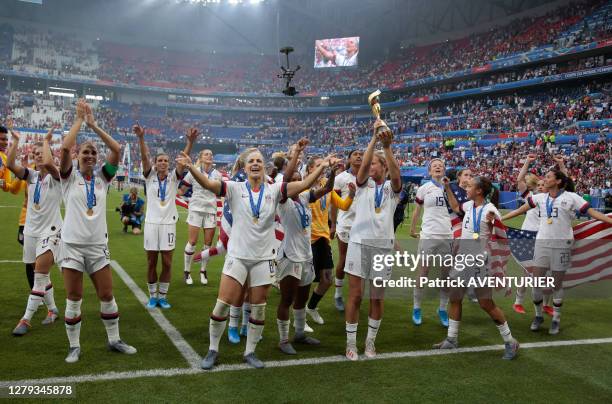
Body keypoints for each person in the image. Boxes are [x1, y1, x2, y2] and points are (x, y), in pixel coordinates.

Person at [176, 147, 330, 369]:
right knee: (222, 305)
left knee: (258, 308)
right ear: (245, 167)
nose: (255, 164)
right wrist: (192, 167)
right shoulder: (234, 188)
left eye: (259, 161)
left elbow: (304, 185)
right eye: (251, 161)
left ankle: (250, 352)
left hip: (264, 259)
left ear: (264, 166)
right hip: (238, 256)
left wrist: (323, 167)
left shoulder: (275, 189)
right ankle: (213, 350)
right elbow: (209, 185)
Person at [59, 99, 136, 363]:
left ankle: (114, 340)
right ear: (78, 156)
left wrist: (94, 125)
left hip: (97, 246)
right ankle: (74, 346)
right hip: (71, 245)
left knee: (106, 294)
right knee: (74, 297)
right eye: (86, 153)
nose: (90, 156)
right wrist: (79, 121)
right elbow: (65, 147)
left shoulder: (103, 177)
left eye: (93, 153)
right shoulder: (69, 177)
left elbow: (116, 148)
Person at [501, 169, 612, 335]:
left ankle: (556, 320)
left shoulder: (571, 197)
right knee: (536, 282)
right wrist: (499, 220)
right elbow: (519, 211)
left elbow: (593, 213)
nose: (544, 180)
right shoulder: (539, 198)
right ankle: (538, 316)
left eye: (548, 177)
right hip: (542, 244)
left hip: (562, 245)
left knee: (557, 283)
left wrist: (609, 221)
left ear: (558, 181)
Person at [435, 176, 519, 360]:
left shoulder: (490, 210)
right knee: (455, 298)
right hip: (463, 260)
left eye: (470, 186)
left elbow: (501, 235)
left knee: (485, 304)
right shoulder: (468, 206)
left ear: (479, 191)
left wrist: (493, 223)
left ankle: (510, 341)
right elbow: (456, 207)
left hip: (479, 262)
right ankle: (452, 339)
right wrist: (448, 187)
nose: (466, 187)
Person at [275, 139, 340, 355]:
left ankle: (300, 334)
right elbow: (286, 178)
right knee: (287, 299)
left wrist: (331, 171)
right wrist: (297, 154)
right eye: (293, 181)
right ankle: (284, 339)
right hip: (289, 256)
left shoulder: (304, 197)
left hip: (306, 256)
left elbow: (329, 188)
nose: (297, 182)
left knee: (302, 299)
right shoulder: (282, 199)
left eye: (299, 180)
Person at [344, 120, 401, 361]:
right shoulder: (363, 185)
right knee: (355, 296)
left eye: (377, 164)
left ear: (384, 167)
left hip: (382, 248)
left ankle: (370, 342)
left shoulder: (392, 188)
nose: (371, 167)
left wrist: (386, 148)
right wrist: (373, 140)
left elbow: (396, 175)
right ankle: (350, 344)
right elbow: (363, 166)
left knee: (376, 298)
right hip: (358, 244)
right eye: (373, 164)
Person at [134, 123, 196, 309]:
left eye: (165, 161)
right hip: (152, 224)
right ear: (155, 163)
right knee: (151, 262)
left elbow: (182, 161)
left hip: (168, 224)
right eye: (159, 160)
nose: (163, 163)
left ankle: (163, 296)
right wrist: (141, 138)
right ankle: (153, 296)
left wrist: (190, 143)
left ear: (169, 165)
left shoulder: (173, 178)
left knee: (167, 263)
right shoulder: (149, 176)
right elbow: (144, 157)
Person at [8, 127, 61, 335]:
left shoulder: (57, 176)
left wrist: (46, 141)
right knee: (40, 273)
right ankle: (53, 309)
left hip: (51, 231)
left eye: (41, 153)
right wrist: (15, 141)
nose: (38, 156)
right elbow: (11, 165)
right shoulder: (31, 176)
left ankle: (26, 319)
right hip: (31, 231)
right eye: (35, 154)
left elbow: (49, 163)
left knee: (39, 275)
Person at [305, 155, 355, 327]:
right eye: (318, 165)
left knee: (327, 279)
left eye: (322, 166)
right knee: (304, 282)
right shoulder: (304, 185)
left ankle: (311, 307)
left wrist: (352, 195)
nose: (322, 168)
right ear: (310, 169)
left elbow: (343, 205)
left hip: (323, 238)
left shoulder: (327, 186)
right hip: (307, 240)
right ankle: (299, 319)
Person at [409, 158, 452, 327]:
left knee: (446, 275)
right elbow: (417, 210)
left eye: (441, 165)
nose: (438, 167)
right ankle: (417, 308)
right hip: (428, 234)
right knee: (423, 271)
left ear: (445, 170)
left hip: (447, 235)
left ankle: (442, 309)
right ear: (429, 171)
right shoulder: (424, 188)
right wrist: (412, 229)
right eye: (434, 166)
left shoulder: (451, 188)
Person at [181, 148, 223, 285]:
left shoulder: (217, 174)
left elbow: (220, 193)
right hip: (196, 209)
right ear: (201, 157)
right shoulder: (193, 171)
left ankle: (203, 271)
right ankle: (187, 272)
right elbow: (182, 189)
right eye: (206, 154)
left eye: (211, 154)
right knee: (192, 241)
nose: (209, 155)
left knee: (208, 244)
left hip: (211, 210)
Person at [331, 149, 363, 312]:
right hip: (346, 224)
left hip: (363, 227)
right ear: (349, 159)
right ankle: (337, 294)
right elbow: (334, 202)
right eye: (355, 154)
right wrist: (333, 225)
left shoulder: (368, 177)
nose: (359, 156)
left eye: (361, 154)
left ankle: (354, 294)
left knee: (359, 263)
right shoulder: (341, 178)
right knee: (343, 260)